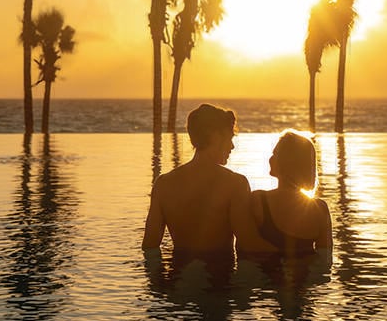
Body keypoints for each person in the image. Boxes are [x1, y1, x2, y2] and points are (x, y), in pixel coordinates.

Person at [142, 103, 250, 259]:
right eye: (229, 138)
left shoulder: (163, 184)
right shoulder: (235, 184)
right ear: (215, 136)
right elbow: (247, 247)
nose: (232, 146)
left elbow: (150, 247)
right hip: (221, 278)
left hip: (177, 276)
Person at [233, 130, 332, 258]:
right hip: (305, 277)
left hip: (266, 276)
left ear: (286, 162)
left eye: (275, 154)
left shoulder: (258, 200)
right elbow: (325, 260)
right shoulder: (320, 210)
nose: (270, 159)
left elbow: (242, 249)